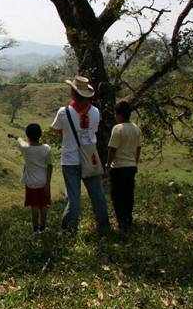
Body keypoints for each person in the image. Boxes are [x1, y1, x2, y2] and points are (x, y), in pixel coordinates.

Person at [51, 76, 110, 232]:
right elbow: (94, 131)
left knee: (73, 197)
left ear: (73, 92)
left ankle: (69, 229)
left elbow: (57, 130)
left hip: (70, 159)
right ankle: (103, 227)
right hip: (90, 158)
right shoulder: (96, 112)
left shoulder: (63, 112)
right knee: (97, 194)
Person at [8, 123, 53, 234]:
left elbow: (20, 140)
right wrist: (47, 183)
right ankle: (43, 227)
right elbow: (50, 166)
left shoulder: (25, 148)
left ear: (27, 136)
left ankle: (35, 229)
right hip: (43, 182)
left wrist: (14, 136)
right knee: (43, 205)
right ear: (40, 135)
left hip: (31, 182)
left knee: (34, 205)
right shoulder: (47, 149)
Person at [106, 101, 141, 230]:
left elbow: (112, 149)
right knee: (128, 193)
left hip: (119, 166)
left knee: (117, 195)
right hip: (131, 165)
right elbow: (138, 149)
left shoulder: (117, 128)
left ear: (119, 115)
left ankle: (121, 220)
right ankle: (128, 218)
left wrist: (108, 166)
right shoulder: (136, 128)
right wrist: (135, 163)